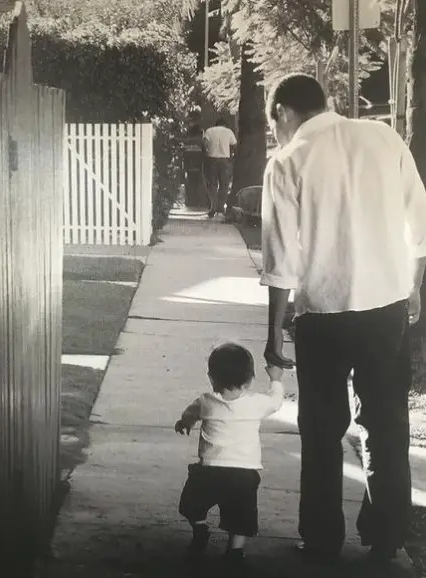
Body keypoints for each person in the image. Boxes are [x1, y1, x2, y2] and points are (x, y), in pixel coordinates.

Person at [261, 73, 426, 564]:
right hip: (385, 307)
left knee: (321, 427)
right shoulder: (383, 136)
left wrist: (274, 333)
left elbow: (280, 259)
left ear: (283, 113)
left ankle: (321, 536)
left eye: (274, 124)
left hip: (323, 314)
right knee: (386, 422)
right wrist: (413, 288)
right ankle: (388, 533)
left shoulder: (288, 160)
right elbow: (418, 221)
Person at [175, 343, 284, 573]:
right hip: (244, 473)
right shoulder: (257, 403)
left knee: (190, 505)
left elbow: (189, 414)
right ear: (250, 379)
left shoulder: (205, 401)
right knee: (241, 515)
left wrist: (185, 423)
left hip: (208, 470)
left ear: (211, 377)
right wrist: (275, 378)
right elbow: (276, 401)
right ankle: (235, 550)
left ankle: (200, 528)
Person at [203, 117, 237, 219]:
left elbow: (204, 143)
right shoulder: (228, 131)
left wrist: (207, 152)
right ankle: (220, 209)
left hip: (211, 159)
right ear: (224, 125)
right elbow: (234, 144)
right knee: (224, 185)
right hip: (224, 161)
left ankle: (213, 206)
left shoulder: (209, 131)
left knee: (212, 184)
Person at [182, 113, 206, 208]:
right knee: (199, 181)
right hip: (199, 162)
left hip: (188, 162)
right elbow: (204, 151)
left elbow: (183, 151)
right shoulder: (201, 140)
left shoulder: (187, 140)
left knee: (189, 181)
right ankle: (198, 201)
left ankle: (190, 201)